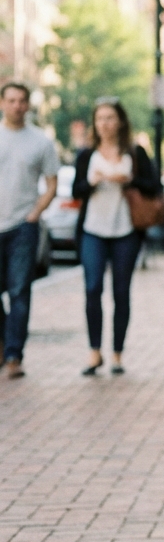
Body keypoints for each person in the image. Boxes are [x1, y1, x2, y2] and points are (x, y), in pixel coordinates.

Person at [72, 99, 161, 376]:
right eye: (100, 119)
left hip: (126, 231)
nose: (105, 124)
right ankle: (94, 352)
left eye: (110, 118)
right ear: (94, 123)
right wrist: (92, 182)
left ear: (120, 121)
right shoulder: (87, 155)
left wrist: (129, 179)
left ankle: (118, 354)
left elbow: (154, 187)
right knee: (92, 288)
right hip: (92, 231)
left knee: (121, 292)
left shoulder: (135, 153)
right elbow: (76, 191)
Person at [0, 82, 59, 379]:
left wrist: (35, 214)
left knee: (20, 290)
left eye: (22, 100)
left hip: (24, 226)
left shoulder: (40, 141)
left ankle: (14, 355)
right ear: (2, 103)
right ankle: (3, 342)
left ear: (28, 105)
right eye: (11, 100)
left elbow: (52, 185)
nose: (17, 106)